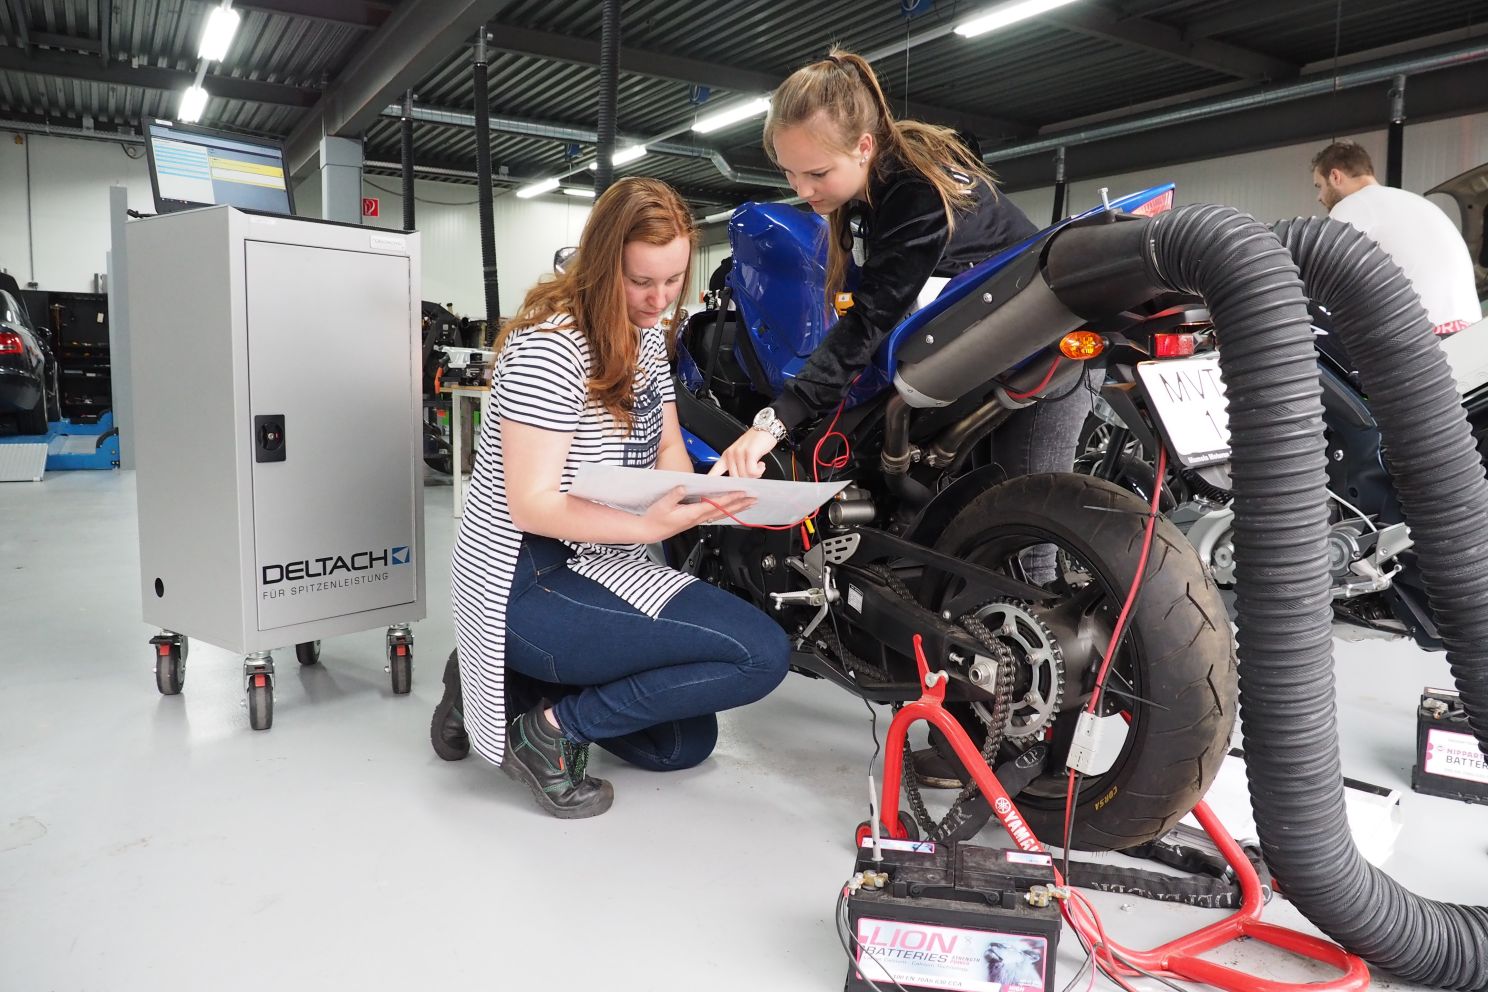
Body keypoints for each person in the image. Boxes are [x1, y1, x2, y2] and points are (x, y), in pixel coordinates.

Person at [433, 177, 792, 819]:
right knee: (759, 655)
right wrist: (648, 525)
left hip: (599, 556)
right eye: (641, 282)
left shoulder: (647, 334)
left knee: (682, 742)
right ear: (603, 267)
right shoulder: (549, 346)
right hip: (527, 573)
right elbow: (532, 505)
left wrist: (719, 494)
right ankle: (546, 731)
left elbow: (665, 449)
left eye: (674, 279)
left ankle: (502, 685)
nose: (659, 300)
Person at [708, 50, 1091, 504]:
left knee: (1024, 528)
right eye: (789, 173)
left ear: (864, 147)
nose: (802, 190)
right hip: (995, 350)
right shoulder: (883, 181)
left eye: (817, 173)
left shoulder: (912, 191)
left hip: (1044, 349)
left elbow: (872, 318)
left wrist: (774, 422)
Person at [1312, 140, 1481, 337]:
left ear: (1335, 176)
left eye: (1319, 186)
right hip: (1468, 329)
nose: (1319, 197)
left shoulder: (1353, 205)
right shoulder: (1414, 202)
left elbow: (1322, 268)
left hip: (1424, 335)